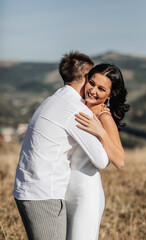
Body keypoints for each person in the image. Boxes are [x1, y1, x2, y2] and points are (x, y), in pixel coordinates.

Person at [13, 52, 110, 240]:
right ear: (86, 77)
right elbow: (102, 159)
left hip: (30, 189)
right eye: (92, 79)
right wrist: (101, 131)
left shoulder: (52, 100)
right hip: (43, 194)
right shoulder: (75, 108)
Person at [66, 63, 130, 240]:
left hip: (85, 195)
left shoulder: (104, 117)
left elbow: (120, 160)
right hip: (65, 191)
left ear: (110, 94)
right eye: (92, 83)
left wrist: (100, 131)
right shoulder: (79, 106)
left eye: (101, 89)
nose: (92, 91)